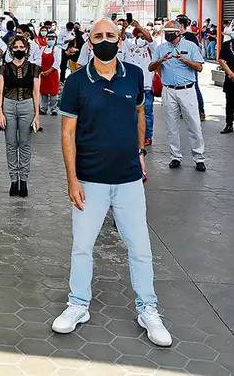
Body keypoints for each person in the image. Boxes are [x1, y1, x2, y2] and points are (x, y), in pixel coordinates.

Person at [51, 19, 172, 348]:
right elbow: (67, 133)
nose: (105, 40)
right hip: (89, 181)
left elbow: (139, 113)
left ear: (121, 40)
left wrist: (141, 151)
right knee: (82, 247)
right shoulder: (76, 82)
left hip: (129, 179)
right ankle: (78, 304)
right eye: (98, 36)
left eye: (110, 36)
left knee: (141, 249)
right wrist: (72, 179)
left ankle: (148, 309)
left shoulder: (134, 74)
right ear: (89, 42)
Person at [150, 21, 206, 171]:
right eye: (165, 31)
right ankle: (175, 156)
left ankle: (199, 157)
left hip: (187, 89)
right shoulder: (161, 48)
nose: (167, 34)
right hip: (168, 90)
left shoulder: (190, 46)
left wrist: (185, 61)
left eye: (170, 31)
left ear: (178, 32)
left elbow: (199, 67)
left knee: (193, 123)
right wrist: (160, 61)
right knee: (171, 125)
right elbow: (151, 67)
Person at [0, 36, 40, 197]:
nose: (19, 50)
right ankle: (13, 180)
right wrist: (0, 112)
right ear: (11, 49)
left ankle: (24, 180)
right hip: (8, 105)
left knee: (25, 143)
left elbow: (36, 92)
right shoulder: (4, 68)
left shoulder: (34, 68)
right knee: (11, 144)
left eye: (22, 47)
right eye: (16, 47)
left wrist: (37, 114)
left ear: (27, 49)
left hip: (27, 106)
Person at [120, 20, 156, 146]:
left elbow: (150, 39)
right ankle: (134, 135)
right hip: (132, 86)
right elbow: (122, 38)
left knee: (147, 113)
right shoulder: (131, 47)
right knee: (131, 112)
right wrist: (124, 28)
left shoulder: (151, 48)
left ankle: (147, 136)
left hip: (146, 86)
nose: (141, 38)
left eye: (143, 36)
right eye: (138, 36)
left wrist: (139, 26)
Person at [39, 32, 61, 116]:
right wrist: (41, 71)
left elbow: (57, 62)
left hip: (52, 73)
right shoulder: (42, 49)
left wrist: (48, 71)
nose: (51, 40)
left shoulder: (57, 50)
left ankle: (53, 109)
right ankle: (43, 108)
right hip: (43, 73)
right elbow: (39, 60)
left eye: (52, 38)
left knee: (53, 92)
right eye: (49, 38)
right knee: (43, 92)